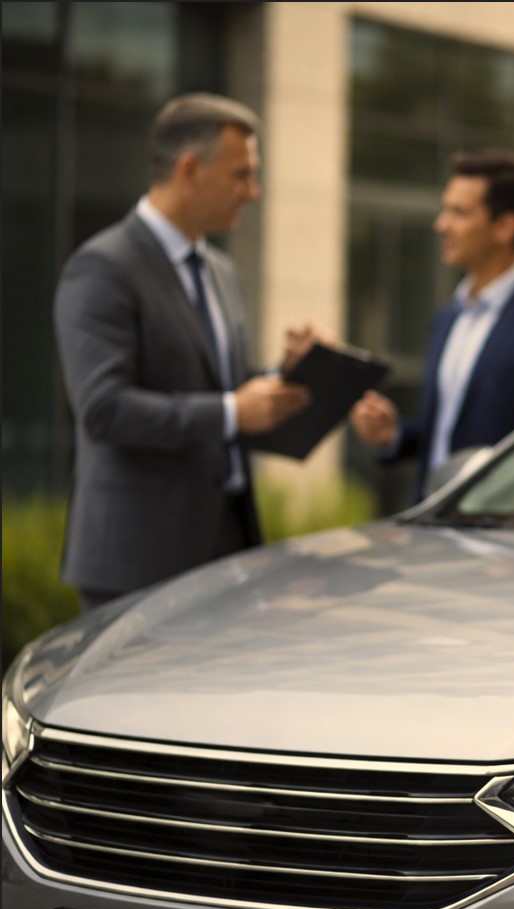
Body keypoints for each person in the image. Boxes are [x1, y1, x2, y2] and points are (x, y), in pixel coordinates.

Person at [54, 92, 317, 612]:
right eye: (241, 175)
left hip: (227, 547)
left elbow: (220, 387)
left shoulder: (219, 269)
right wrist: (231, 411)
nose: (254, 192)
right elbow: (103, 408)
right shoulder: (102, 268)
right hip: (139, 562)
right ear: (191, 170)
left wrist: (285, 375)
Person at [349, 149, 514, 502]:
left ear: (505, 226)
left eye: (458, 213)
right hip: (430, 523)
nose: (441, 225)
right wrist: (392, 435)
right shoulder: (448, 318)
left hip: (500, 543)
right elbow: (447, 436)